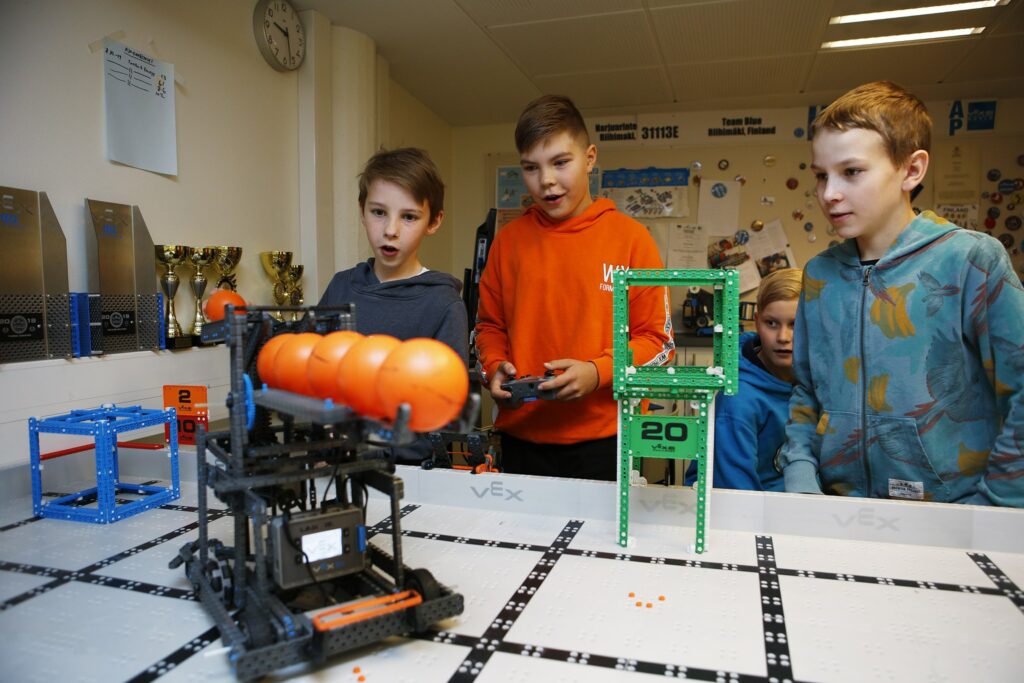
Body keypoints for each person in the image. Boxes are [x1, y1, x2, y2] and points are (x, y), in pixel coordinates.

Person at [780, 81, 1024, 506]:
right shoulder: (819, 275)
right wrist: (801, 477)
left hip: (955, 510)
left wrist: (996, 506)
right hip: (836, 507)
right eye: (821, 176)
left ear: (911, 170)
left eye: (851, 172)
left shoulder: (970, 261)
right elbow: (807, 392)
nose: (829, 193)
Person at [475, 95, 674, 481]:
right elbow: (488, 327)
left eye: (560, 162)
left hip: (606, 439)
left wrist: (598, 372)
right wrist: (494, 367)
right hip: (522, 438)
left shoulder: (633, 240)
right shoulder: (508, 242)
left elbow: (659, 344)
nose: (546, 180)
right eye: (531, 168)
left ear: (590, 157)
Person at [318, 147, 468, 462]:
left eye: (409, 216)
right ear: (362, 210)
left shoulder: (444, 304)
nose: (390, 230)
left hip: (412, 472)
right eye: (378, 212)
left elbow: (447, 410)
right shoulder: (340, 288)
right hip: (337, 464)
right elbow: (311, 374)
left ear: (434, 221)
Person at [688, 268, 802, 491]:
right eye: (771, 323)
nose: (783, 337)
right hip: (742, 511)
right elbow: (736, 496)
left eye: (795, 324)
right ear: (757, 322)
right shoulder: (737, 400)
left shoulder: (817, 381)